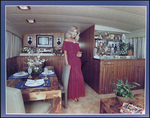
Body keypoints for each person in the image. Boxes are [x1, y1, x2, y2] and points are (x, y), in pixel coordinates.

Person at [62, 26, 85, 102]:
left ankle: (76, 95)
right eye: (73, 31)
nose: (74, 34)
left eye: (76, 32)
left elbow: (78, 53)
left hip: (77, 61)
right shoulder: (66, 40)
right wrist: (67, 63)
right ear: (70, 32)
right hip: (70, 61)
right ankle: (71, 95)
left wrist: (79, 55)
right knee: (71, 78)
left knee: (78, 78)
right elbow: (65, 53)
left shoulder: (77, 41)